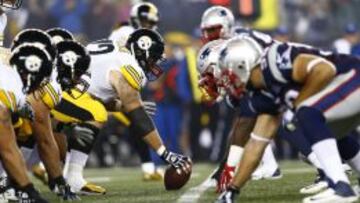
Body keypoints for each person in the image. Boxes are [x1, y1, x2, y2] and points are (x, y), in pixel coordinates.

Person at [216, 37, 360, 203]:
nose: (228, 81)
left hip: (352, 75)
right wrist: (233, 190)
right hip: (345, 93)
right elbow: (256, 146)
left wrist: (299, 105)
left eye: (229, 73)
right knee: (331, 132)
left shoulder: (274, 60)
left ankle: (340, 186)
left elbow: (324, 70)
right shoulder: (263, 96)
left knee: (306, 112)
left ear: (243, 65)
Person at [51, 29, 192, 195]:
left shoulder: (115, 51)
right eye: (153, 58)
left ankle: (69, 177)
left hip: (56, 88)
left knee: (93, 110)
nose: (153, 64)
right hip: (57, 93)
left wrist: (123, 106)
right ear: (142, 51)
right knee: (96, 113)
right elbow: (138, 118)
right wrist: (165, 153)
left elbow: (93, 94)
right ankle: (72, 178)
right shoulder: (128, 67)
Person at [199, 5, 281, 189]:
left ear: (226, 25)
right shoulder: (230, 42)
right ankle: (269, 165)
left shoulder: (237, 39)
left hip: (277, 75)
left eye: (213, 29)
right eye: (207, 30)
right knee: (251, 116)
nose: (210, 34)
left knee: (286, 122)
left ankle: (330, 171)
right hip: (265, 78)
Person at [108, 2, 162, 181]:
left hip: (126, 84)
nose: (149, 26)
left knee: (136, 125)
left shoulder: (134, 34)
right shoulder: (125, 33)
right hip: (117, 84)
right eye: (145, 21)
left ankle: (147, 167)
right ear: (136, 19)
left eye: (151, 22)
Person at [1, 42, 51, 203]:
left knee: (17, 126)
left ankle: (10, 185)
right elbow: (8, 148)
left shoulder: (9, 75)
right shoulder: (13, 89)